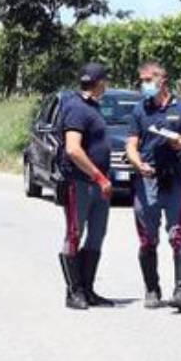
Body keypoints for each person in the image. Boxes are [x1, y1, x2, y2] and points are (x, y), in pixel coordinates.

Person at [125, 61, 181, 312]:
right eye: (141, 80)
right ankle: (152, 289)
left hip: (175, 180)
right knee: (147, 239)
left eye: (147, 80)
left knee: (178, 235)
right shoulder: (140, 110)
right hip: (146, 180)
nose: (144, 85)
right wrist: (138, 163)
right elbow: (131, 144)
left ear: (162, 80)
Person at [57, 63, 115, 311]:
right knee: (74, 234)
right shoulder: (76, 108)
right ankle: (74, 291)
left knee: (96, 235)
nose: (107, 85)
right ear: (99, 82)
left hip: (97, 185)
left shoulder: (92, 107)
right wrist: (98, 176)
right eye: (106, 81)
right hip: (79, 184)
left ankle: (88, 289)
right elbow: (73, 148)